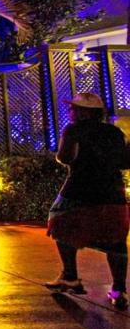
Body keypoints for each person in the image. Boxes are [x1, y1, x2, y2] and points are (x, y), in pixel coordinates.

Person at [44, 93, 129, 310]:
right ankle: (119, 289)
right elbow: (123, 161)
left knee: (59, 221)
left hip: (79, 188)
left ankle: (70, 275)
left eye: (74, 108)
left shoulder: (73, 130)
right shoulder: (114, 132)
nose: (70, 111)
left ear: (84, 112)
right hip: (112, 192)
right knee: (116, 239)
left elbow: (64, 157)